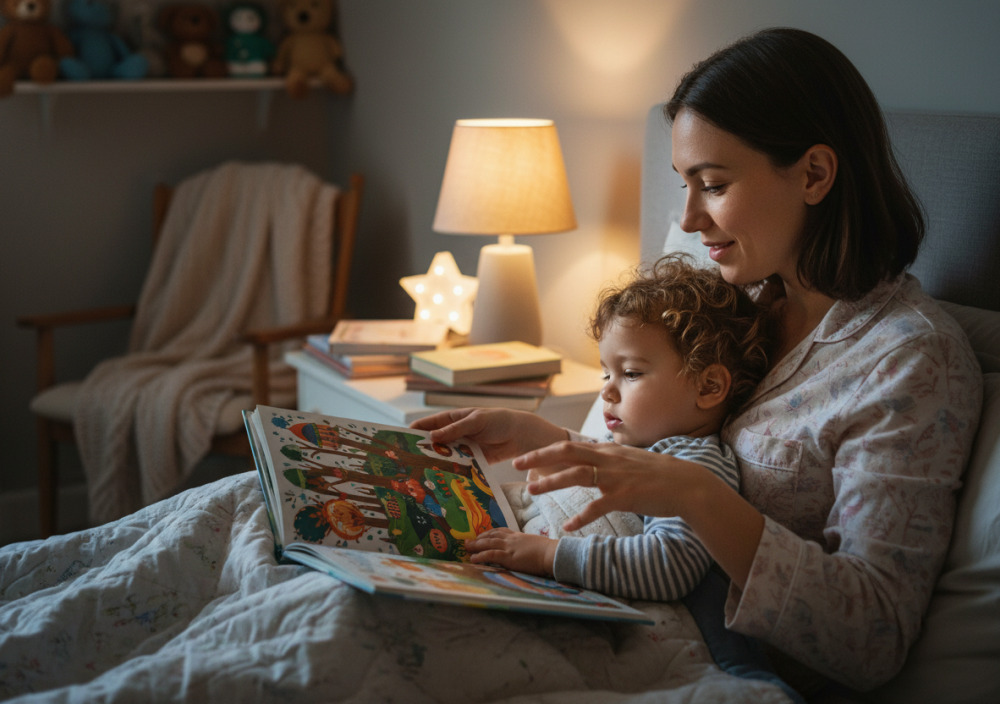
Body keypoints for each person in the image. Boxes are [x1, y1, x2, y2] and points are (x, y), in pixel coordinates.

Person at [412, 27, 983, 696]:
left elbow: (873, 636)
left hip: (712, 657)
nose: (686, 220)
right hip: (613, 594)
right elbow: (667, 462)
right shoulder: (732, 303)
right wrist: (556, 444)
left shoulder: (909, 362)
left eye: (711, 185)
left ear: (815, 174)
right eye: (684, 184)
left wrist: (701, 500)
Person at [461, 254, 773, 602]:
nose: (607, 391)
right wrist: (530, 433)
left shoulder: (695, 466)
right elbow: (598, 465)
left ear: (708, 387)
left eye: (632, 373)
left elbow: (669, 567)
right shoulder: (640, 443)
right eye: (606, 372)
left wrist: (548, 555)